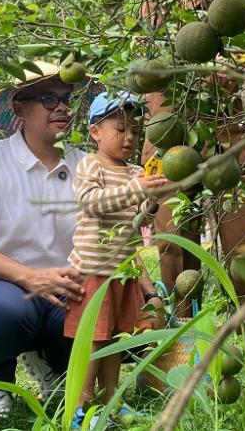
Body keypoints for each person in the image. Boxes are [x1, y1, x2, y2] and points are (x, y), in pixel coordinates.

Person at [139, 0, 245, 326]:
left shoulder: (236, 16)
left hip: (231, 143)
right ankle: (179, 343)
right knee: (174, 248)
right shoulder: (156, 12)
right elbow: (142, 71)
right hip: (171, 141)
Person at [0, 63, 88, 425]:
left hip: (65, 288)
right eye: (48, 98)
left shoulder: (85, 166)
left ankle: (53, 366)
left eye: (67, 99)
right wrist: (29, 277)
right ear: (20, 108)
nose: (61, 108)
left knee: (103, 311)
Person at [65, 92, 167, 427]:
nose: (128, 138)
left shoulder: (136, 171)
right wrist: (138, 189)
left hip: (122, 271)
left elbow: (143, 220)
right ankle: (81, 408)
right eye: (120, 129)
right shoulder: (90, 165)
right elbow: (91, 202)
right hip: (93, 271)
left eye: (134, 132)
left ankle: (110, 399)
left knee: (114, 339)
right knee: (93, 340)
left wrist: (151, 200)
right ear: (95, 132)